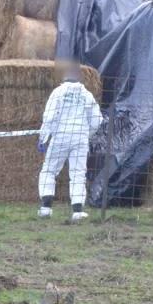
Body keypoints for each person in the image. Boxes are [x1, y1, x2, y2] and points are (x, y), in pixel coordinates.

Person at [37, 62, 103, 221]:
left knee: (49, 170)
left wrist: (43, 138)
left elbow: (49, 117)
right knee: (78, 173)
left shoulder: (58, 93)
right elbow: (97, 120)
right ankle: (77, 211)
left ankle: (46, 208)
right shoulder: (87, 95)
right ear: (79, 79)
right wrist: (86, 134)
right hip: (80, 137)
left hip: (60, 136)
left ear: (65, 78)